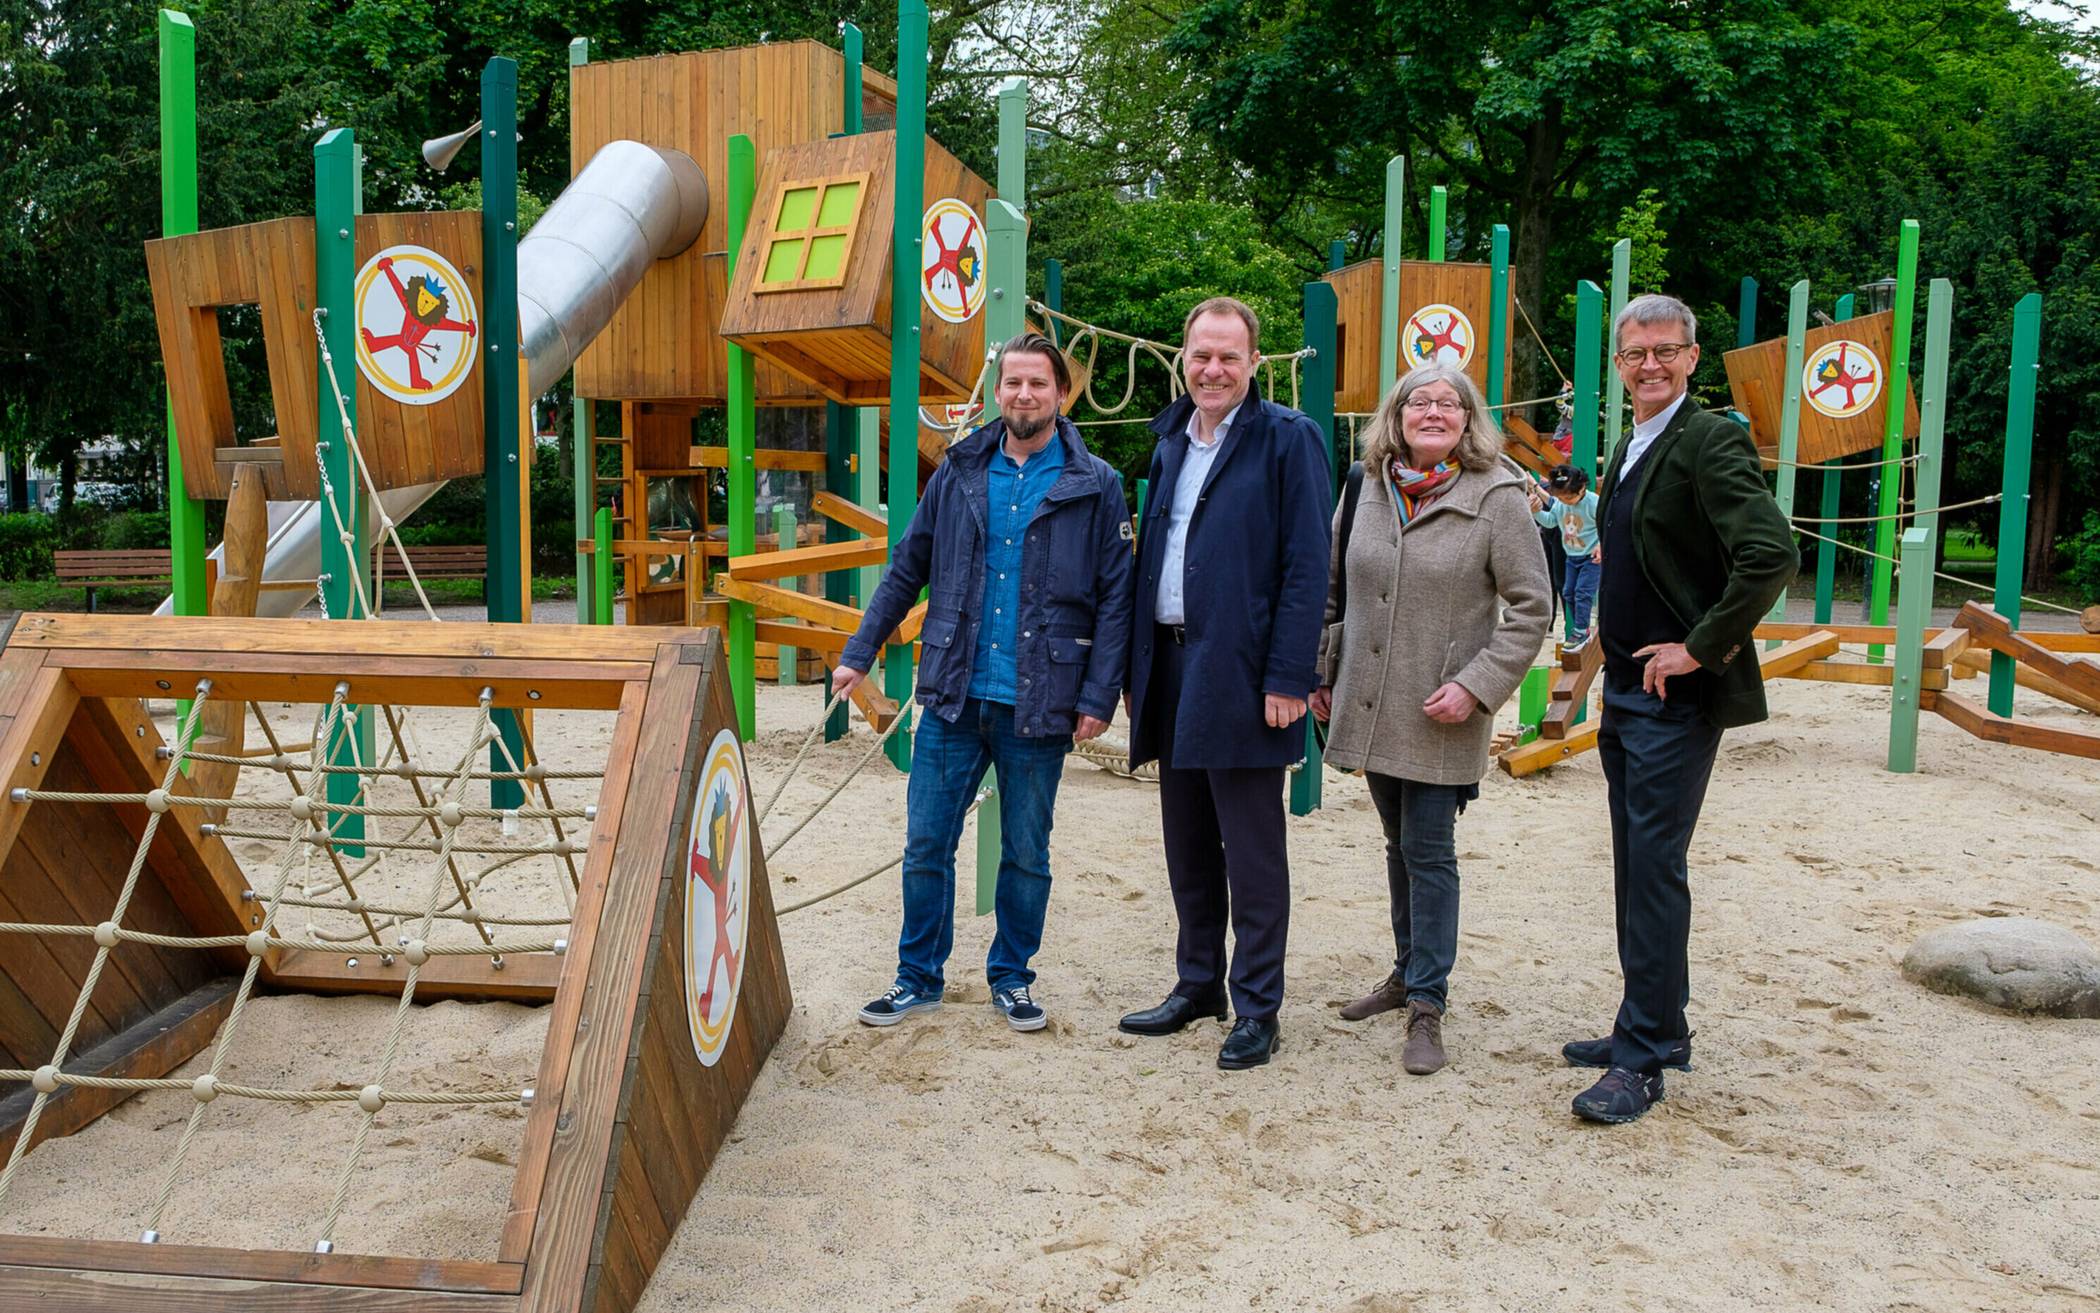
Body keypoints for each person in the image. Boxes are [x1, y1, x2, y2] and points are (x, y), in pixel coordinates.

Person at [834, 332, 1133, 1033]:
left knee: (1026, 850)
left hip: (1043, 696)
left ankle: (1012, 976)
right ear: (998, 392)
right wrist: (860, 649)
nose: (1024, 394)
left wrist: (1097, 695)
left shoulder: (1097, 483)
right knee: (926, 841)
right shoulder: (961, 467)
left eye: (1038, 383)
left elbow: (1117, 598)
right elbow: (909, 565)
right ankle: (917, 977)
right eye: (1013, 383)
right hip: (952, 692)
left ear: (1062, 393)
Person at [1564, 293, 1797, 1123]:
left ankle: (1644, 1058)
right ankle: (1660, 1022)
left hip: (1674, 695)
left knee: (1655, 868)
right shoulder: (1635, 441)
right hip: (1628, 689)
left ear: (1694, 357)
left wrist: (1700, 645)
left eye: (1667, 351)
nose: (1651, 364)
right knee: (1637, 865)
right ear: (1620, 364)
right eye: (1636, 354)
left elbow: (1771, 550)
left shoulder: (1710, 439)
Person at [1314, 365, 1550, 1075]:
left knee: (1428, 846)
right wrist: (1322, 671)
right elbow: (1332, 588)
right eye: (1421, 401)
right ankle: (1403, 970)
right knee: (1395, 843)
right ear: (1398, 414)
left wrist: (1477, 687)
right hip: (1371, 700)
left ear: (1469, 419)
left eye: (1452, 403)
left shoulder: (1498, 497)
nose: (1435, 411)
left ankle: (1427, 1002)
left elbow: (1532, 607)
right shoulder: (1365, 487)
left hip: (1441, 706)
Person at [1118, 297, 1331, 1071]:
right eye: (1201, 355)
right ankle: (1198, 980)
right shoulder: (1171, 439)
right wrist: (1137, 670)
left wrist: (1289, 675)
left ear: (1253, 363)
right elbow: (1154, 555)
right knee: (1186, 841)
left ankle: (1258, 1006)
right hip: (1172, 664)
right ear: (1183, 356)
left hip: (1243, 670)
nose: (1213, 370)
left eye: (1228, 358)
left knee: (1251, 849)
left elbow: (1308, 567)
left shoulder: (1288, 441)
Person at [1529, 464, 1602, 648]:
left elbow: (1609, 525)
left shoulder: (1593, 503)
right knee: (1568, 591)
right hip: (1572, 557)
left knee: (1582, 593)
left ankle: (1580, 630)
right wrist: (1536, 511)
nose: (1566, 501)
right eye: (1561, 497)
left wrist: (1602, 545)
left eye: (1570, 497)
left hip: (1591, 558)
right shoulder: (1561, 504)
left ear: (1583, 487)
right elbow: (1551, 522)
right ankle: (1581, 627)